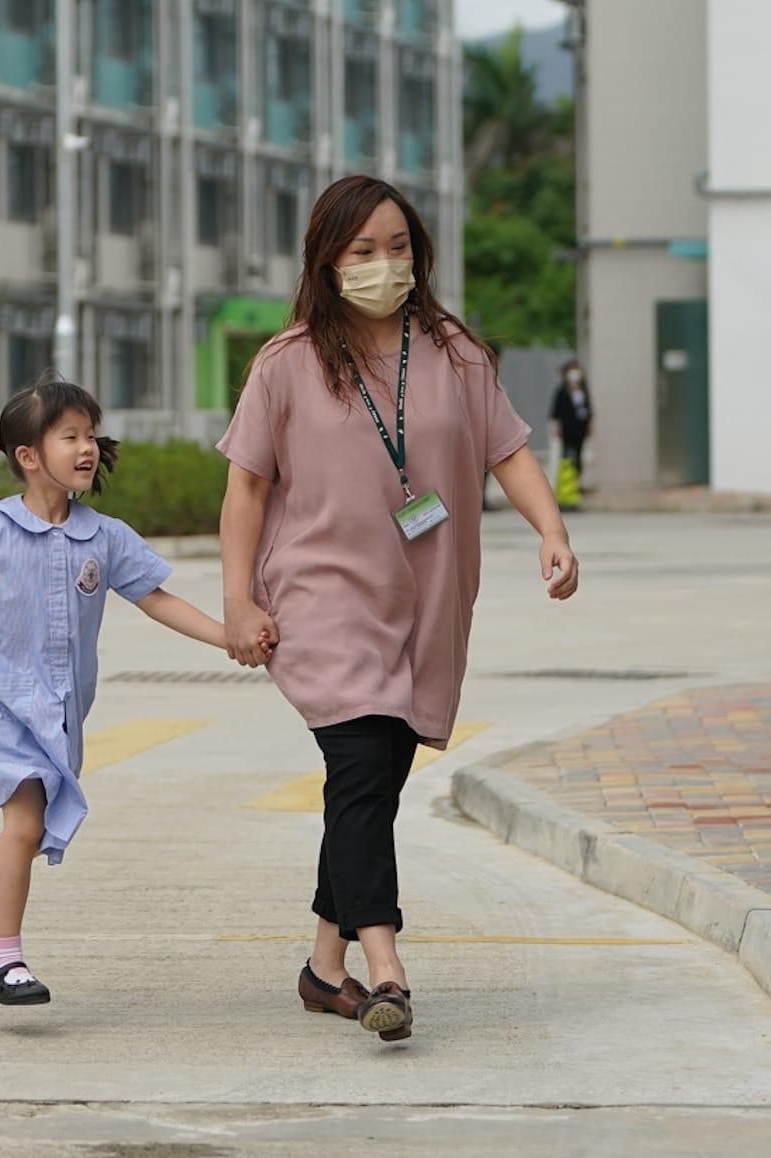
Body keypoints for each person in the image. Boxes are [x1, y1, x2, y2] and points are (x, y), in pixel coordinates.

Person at [217, 175, 579, 1046]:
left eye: (398, 247)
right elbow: (246, 488)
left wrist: (552, 529)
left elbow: (510, 452)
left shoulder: (454, 354)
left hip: (427, 599)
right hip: (321, 597)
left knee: (373, 780)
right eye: (363, 251)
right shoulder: (288, 361)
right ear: (327, 262)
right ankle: (386, 967)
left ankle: (321, 967)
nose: (385, 265)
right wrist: (237, 596)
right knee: (360, 769)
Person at [0, 378, 255, 1005]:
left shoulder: (103, 536)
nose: (87, 449)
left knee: (27, 836)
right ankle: (6, 964)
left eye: (90, 436)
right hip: (0, 710)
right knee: (28, 823)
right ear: (28, 456)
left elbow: (156, 599)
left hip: (60, 713)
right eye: (69, 437)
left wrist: (228, 638)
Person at [551, 358, 592, 492]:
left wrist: (589, 426)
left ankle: (577, 484)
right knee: (567, 457)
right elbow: (555, 412)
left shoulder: (583, 390)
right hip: (567, 429)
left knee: (579, 457)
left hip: (579, 429)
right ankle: (565, 485)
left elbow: (588, 409)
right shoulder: (562, 391)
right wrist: (557, 428)